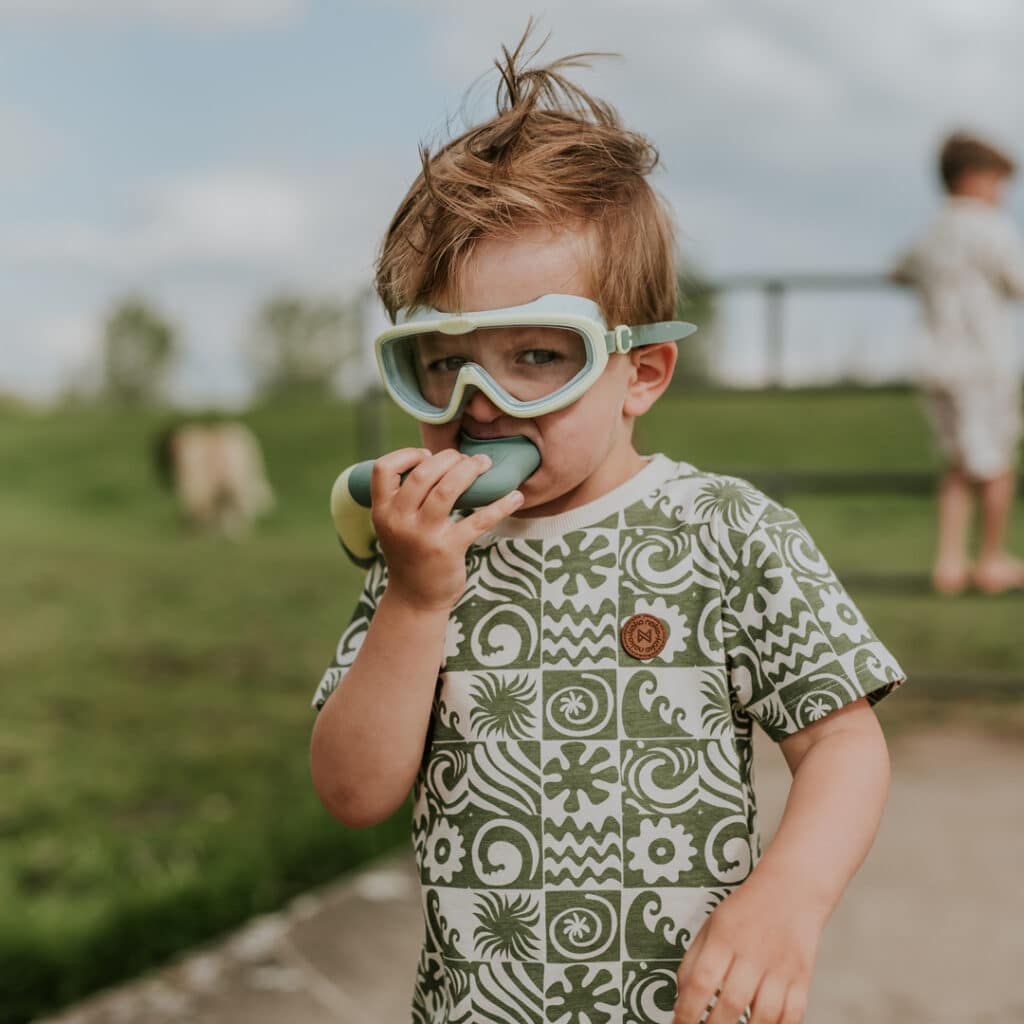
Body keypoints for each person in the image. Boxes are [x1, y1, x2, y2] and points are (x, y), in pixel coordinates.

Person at [310, 29, 904, 1024]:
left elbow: (843, 743)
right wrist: (413, 598)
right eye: (442, 360)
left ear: (639, 373)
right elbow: (353, 791)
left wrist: (787, 899)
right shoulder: (429, 551)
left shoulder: (724, 531)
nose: (481, 399)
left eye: (538, 355)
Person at [892, 131, 1024, 595]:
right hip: (982, 363)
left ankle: (949, 562)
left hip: (935, 362)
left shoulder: (933, 232)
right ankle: (990, 559)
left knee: (957, 463)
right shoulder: (992, 227)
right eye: (998, 182)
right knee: (996, 464)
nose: (1003, 193)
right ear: (973, 178)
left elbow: (898, 269)